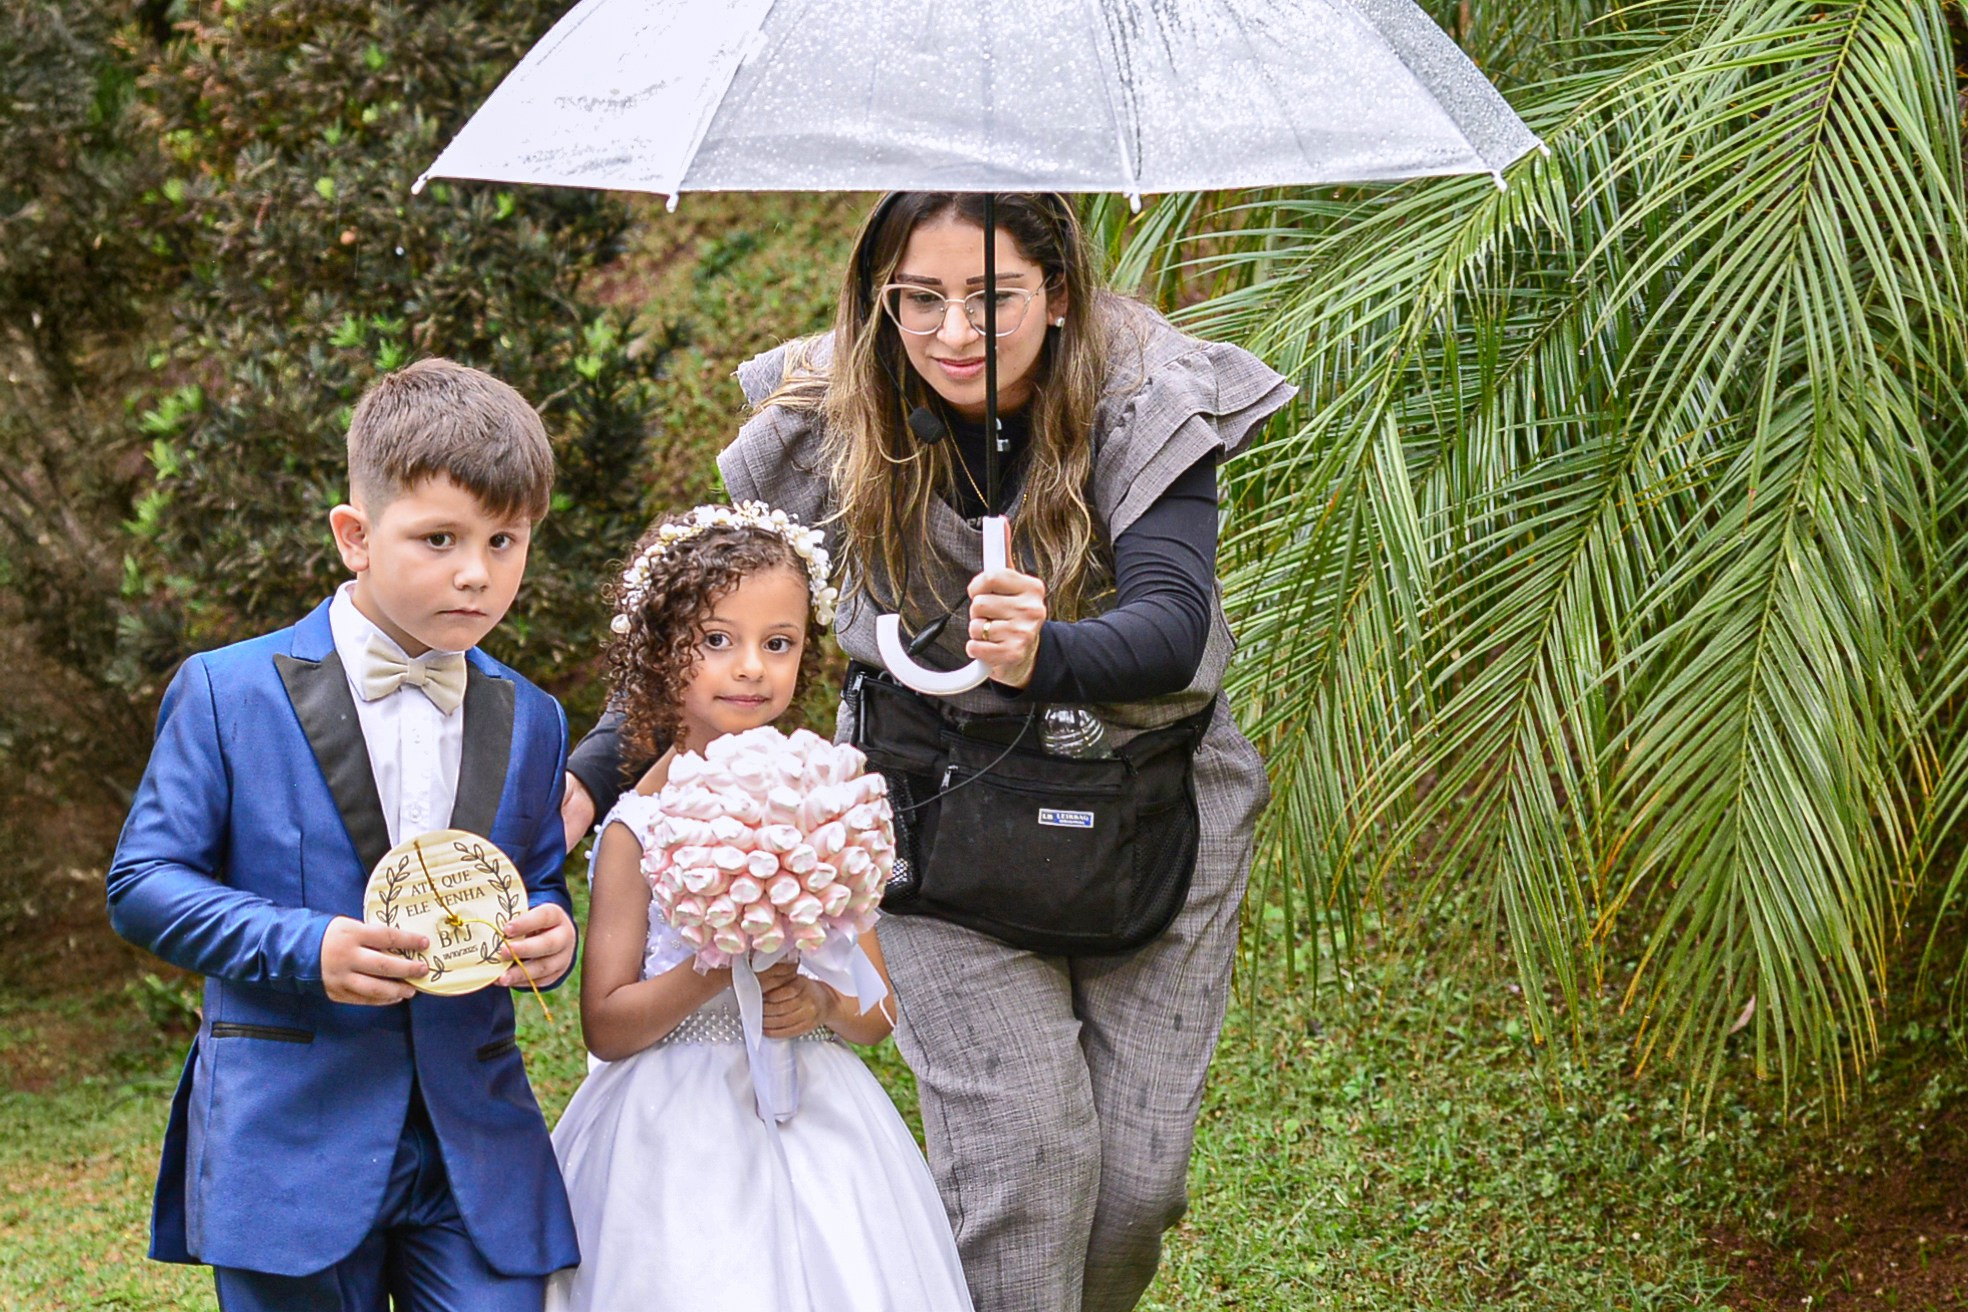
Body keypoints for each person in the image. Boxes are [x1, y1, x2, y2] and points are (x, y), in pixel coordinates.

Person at [563, 192, 1292, 1312]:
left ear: (1057, 289)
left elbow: (1172, 621)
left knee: (1137, 1189)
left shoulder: (1146, 382)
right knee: (1029, 1162)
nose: (954, 332)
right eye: (921, 298)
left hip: (1148, 809)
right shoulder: (838, 401)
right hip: (934, 804)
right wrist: (604, 759)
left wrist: (1047, 650)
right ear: (882, 294)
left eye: (992, 296)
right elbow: (718, 616)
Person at [105, 358, 581, 1311]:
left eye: (505, 540)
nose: (477, 572)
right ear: (355, 537)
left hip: (473, 1143)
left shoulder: (530, 716)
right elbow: (145, 881)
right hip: (292, 1135)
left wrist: (549, 929)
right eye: (438, 538)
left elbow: (534, 877)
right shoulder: (225, 690)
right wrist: (307, 944)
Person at [544, 503, 972, 1312]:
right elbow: (606, 1023)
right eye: (717, 640)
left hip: (814, 1107)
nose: (751, 667)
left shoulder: (829, 805)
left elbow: (874, 1013)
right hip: (670, 1126)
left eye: (777, 643)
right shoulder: (639, 824)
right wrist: (717, 963)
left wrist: (816, 1000)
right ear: (660, 651)